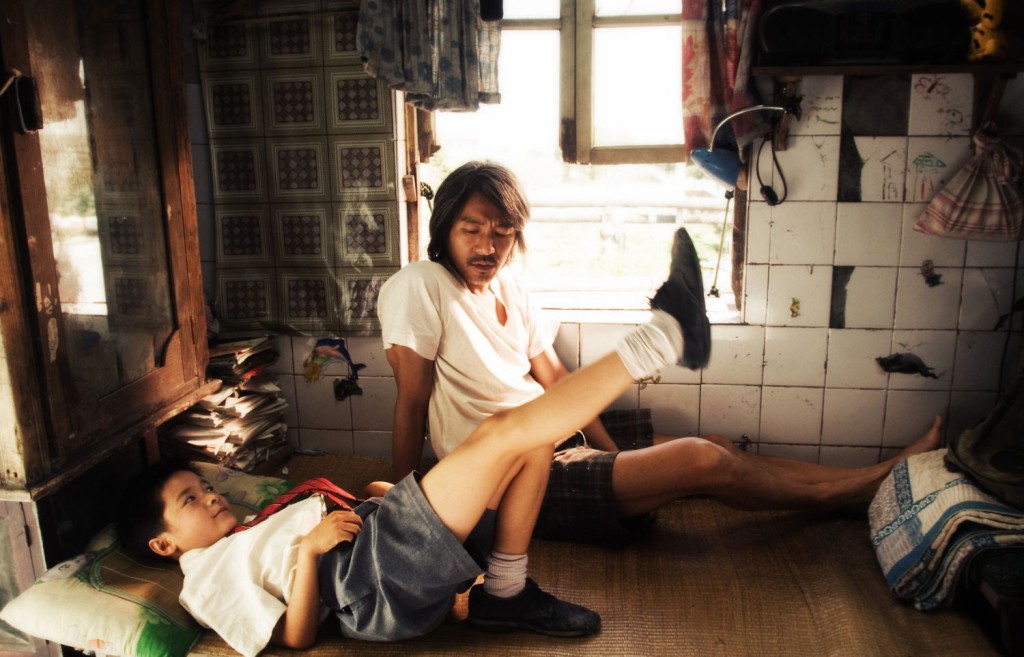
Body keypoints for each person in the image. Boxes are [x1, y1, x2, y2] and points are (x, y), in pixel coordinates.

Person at [114, 254, 702, 657]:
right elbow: (294, 639)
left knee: (531, 442)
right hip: (371, 580)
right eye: (189, 500)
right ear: (163, 545)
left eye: (202, 486)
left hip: (382, 542)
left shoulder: (244, 531)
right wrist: (310, 551)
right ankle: (661, 338)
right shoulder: (204, 577)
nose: (210, 496)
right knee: (504, 432)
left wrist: (379, 498)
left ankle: (504, 592)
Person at [378, 160, 943, 544]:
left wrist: (607, 453)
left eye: (502, 232)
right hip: (508, 476)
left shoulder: (511, 287)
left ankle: (859, 483)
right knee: (702, 460)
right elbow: (411, 401)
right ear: (444, 229)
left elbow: (557, 383)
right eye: (472, 229)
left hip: (560, 440)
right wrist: (403, 509)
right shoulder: (422, 284)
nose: (487, 246)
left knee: (716, 445)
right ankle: (860, 488)